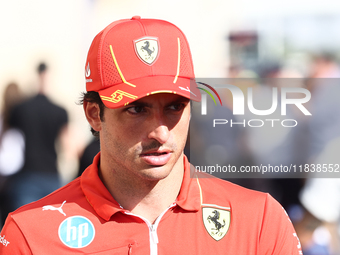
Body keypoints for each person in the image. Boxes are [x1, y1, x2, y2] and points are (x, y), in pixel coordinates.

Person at [0, 16, 303, 254]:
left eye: (174, 106)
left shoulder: (259, 220)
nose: (160, 131)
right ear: (94, 114)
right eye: (136, 109)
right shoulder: (31, 235)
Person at [0, 63, 68, 221]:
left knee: (25, 228)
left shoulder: (20, 109)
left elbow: (9, 140)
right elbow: (67, 145)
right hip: (52, 176)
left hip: (27, 176)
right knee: (51, 229)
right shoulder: (59, 110)